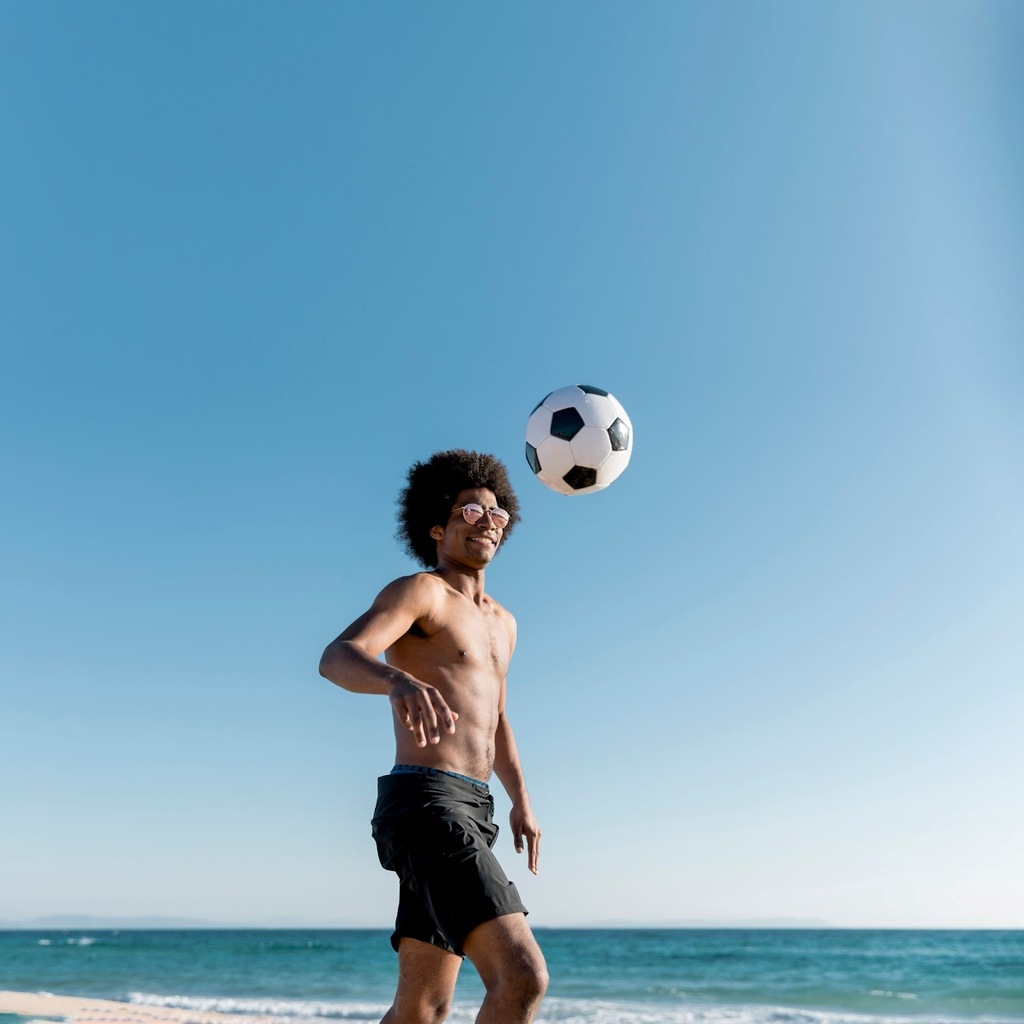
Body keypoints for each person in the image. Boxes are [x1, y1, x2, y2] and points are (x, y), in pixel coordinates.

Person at [319, 449, 548, 1024]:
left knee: (422, 1007)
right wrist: (396, 680)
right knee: (521, 977)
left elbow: (496, 718)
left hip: (475, 807)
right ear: (437, 528)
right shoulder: (421, 592)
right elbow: (337, 657)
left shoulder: (504, 622)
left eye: (497, 513)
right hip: (426, 803)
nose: (487, 522)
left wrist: (522, 801)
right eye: (470, 510)